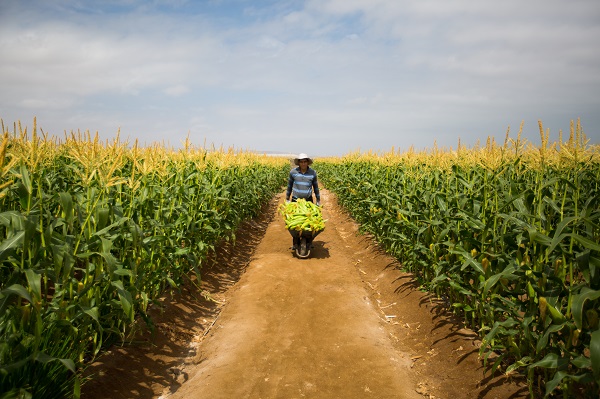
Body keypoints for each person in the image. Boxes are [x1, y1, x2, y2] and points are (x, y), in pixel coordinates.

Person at [286, 153, 321, 249]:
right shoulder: (293, 172)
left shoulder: (312, 173)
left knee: (310, 222)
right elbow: (289, 186)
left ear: (307, 162)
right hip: (295, 201)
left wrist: (318, 200)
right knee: (294, 223)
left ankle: (309, 241)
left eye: (305, 161)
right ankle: (295, 242)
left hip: (308, 201)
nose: (303, 163)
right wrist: (287, 199)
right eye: (301, 162)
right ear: (299, 163)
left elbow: (316, 187)